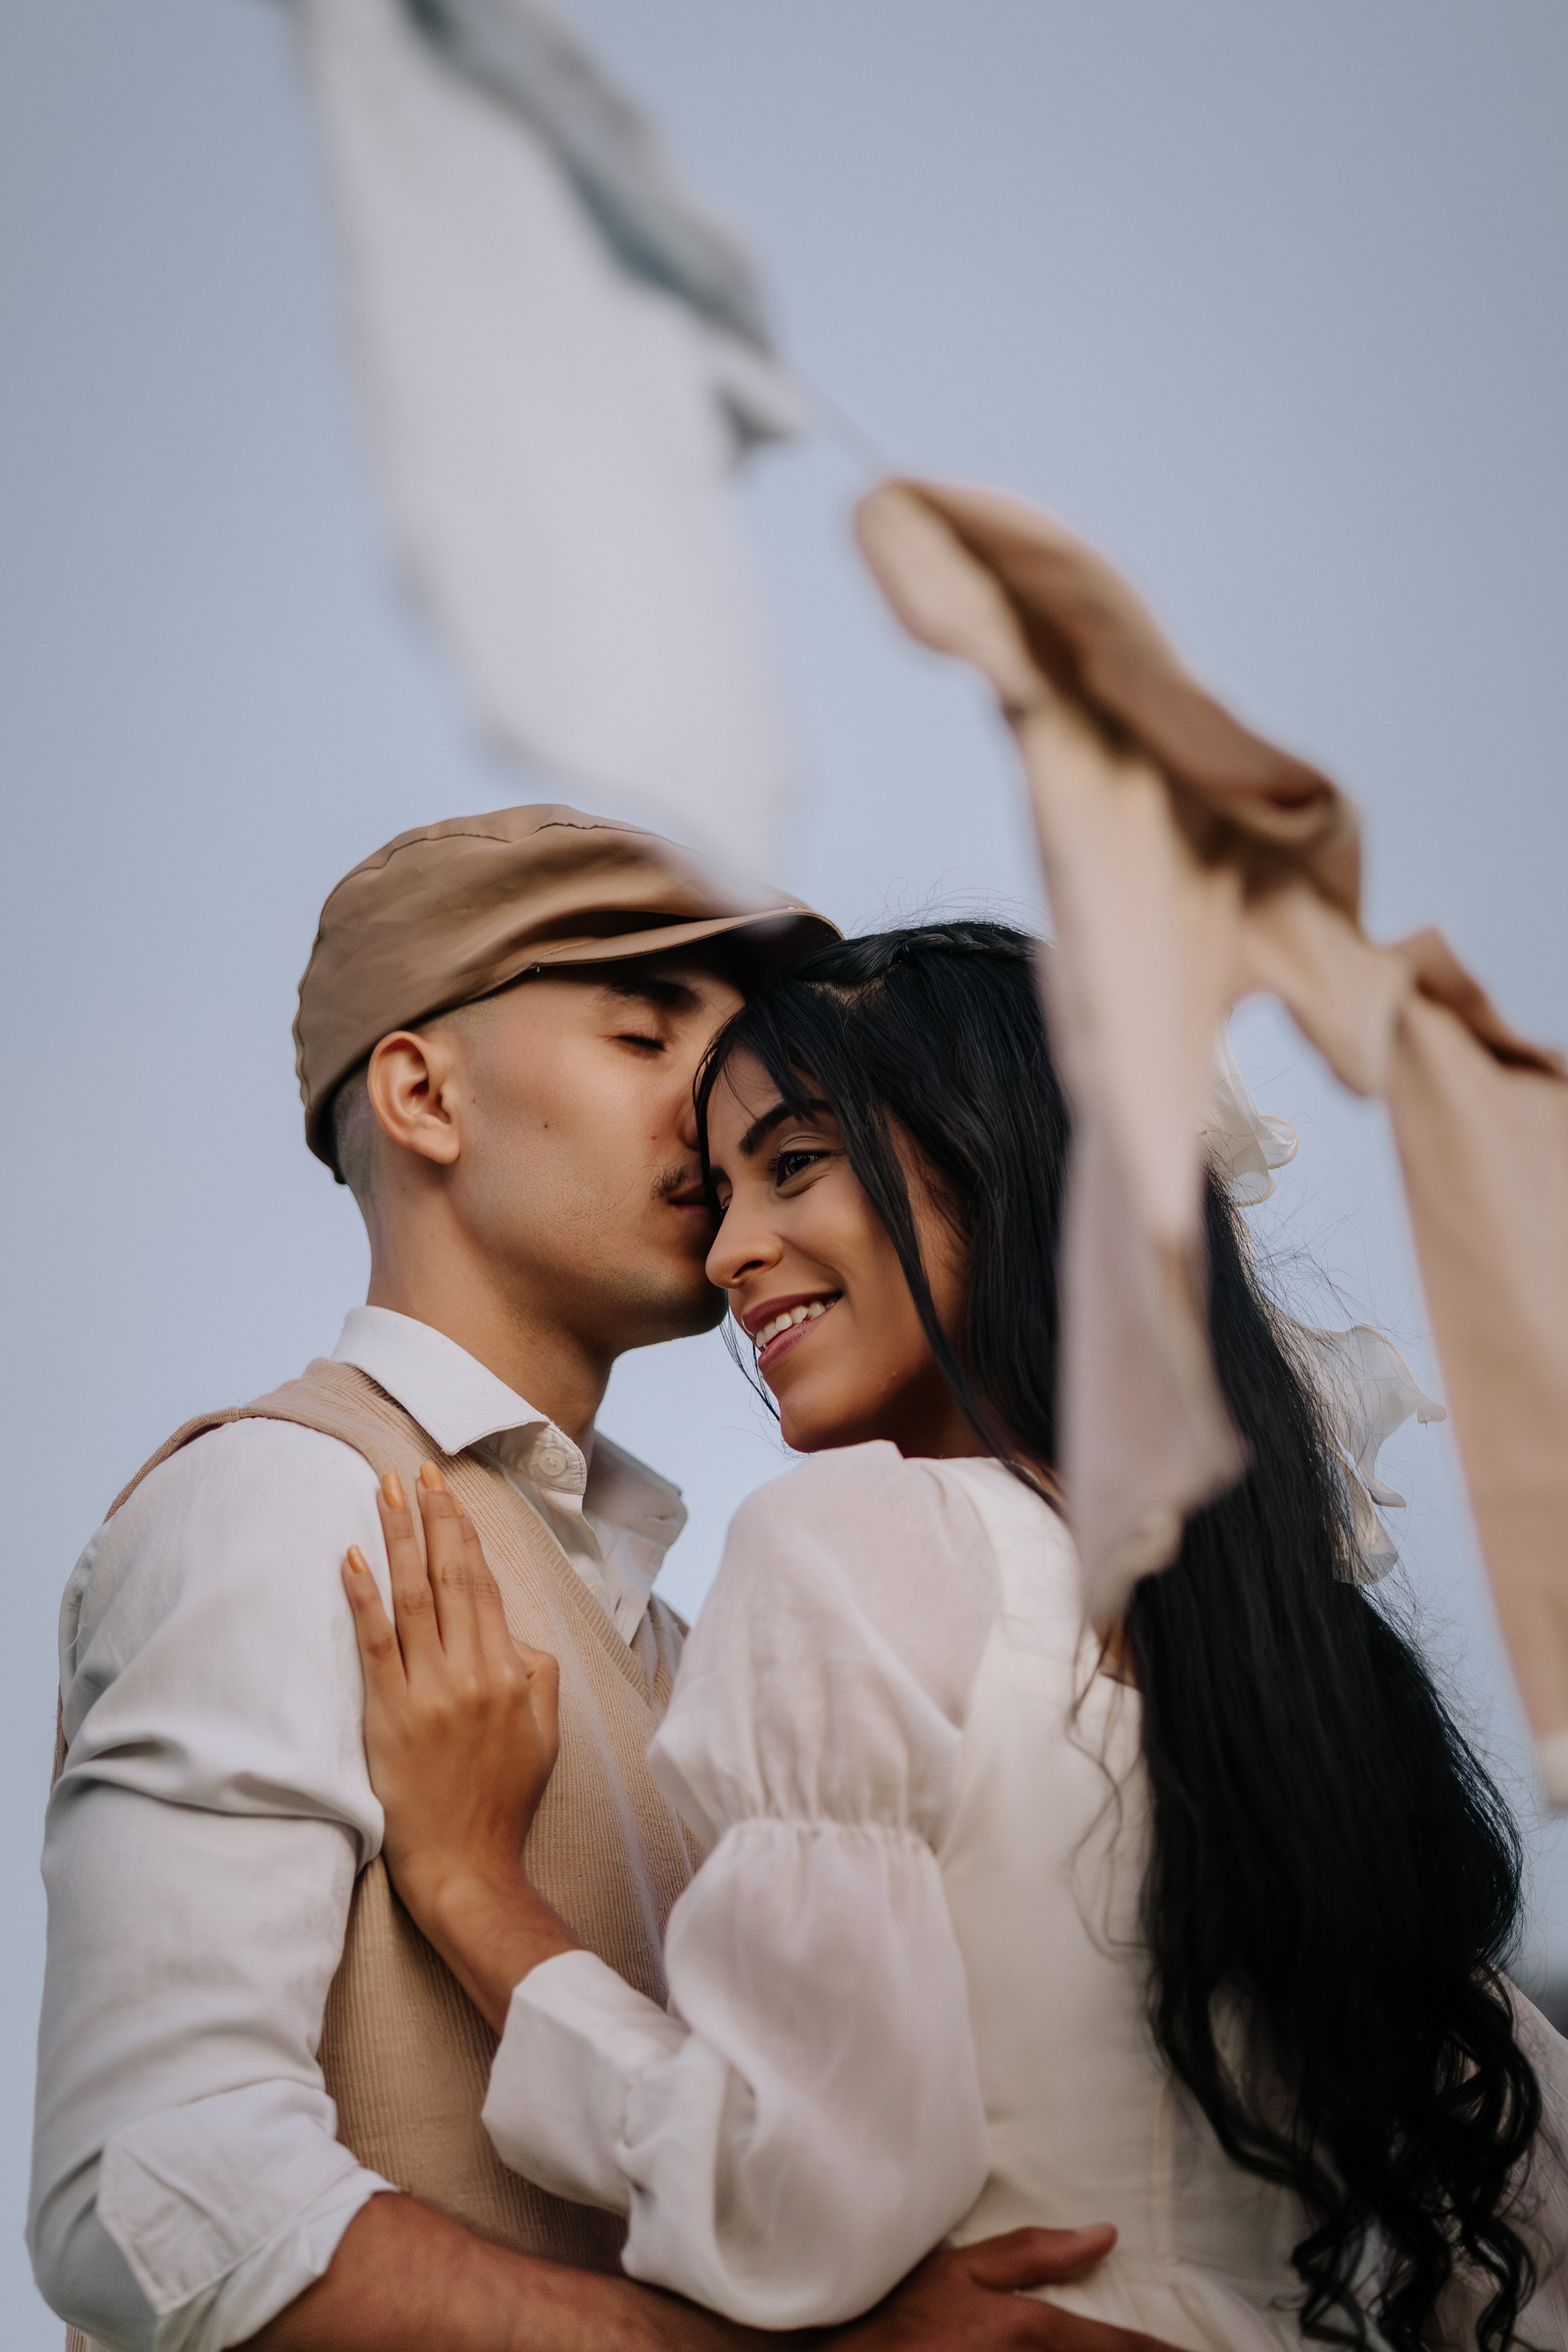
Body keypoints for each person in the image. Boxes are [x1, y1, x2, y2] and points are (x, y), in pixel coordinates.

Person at [342, 920, 1568, 2352]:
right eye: (719, 1193)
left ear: (1000, 1159)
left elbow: (794, 2209)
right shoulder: (1304, 1666)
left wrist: (476, 1890)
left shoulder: (857, 1544)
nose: (731, 1254)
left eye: (794, 1164)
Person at [31, 810, 1164, 2352]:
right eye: (646, 1035)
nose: (712, 1108)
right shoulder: (285, 1501)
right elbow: (149, 2186)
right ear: (424, 1095)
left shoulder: (706, 1635)